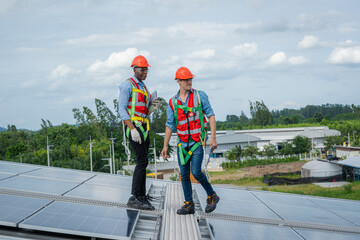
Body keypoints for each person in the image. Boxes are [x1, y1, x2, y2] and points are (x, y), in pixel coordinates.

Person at [161, 67, 220, 215]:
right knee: (184, 175)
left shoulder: (200, 96)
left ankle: (212, 195)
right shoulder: (172, 102)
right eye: (186, 79)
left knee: (196, 172)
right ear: (178, 81)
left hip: (197, 142)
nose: (189, 82)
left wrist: (213, 137)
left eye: (190, 79)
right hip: (182, 145)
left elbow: (211, 115)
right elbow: (170, 124)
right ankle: (189, 204)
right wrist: (165, 145)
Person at [118, 55, 161, 210]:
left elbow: (144, 110)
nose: (145, 72)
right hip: (134, 128)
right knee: (141, 161)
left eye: (146, 70)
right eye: (142, 70)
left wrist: (152, 107)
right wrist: (131, 128)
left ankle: (141, 196)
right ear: (134, 69)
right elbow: (121, 108)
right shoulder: (127, 85)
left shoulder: (143, 87)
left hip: (143, 127)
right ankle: (134, 196)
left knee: (144, 161)